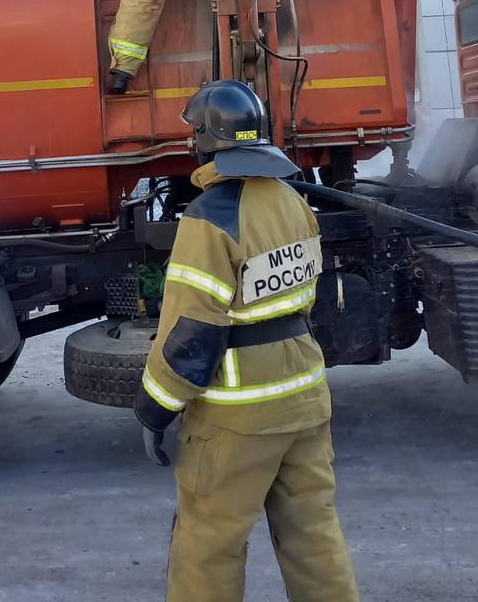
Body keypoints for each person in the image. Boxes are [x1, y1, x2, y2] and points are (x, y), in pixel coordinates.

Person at [134, 79, 359, 602]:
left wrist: (153, 410)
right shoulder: (292, 201)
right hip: (305, 398)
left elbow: (189, 333)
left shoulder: (208, 219)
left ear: (210, 139)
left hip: (238, 418)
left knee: (207, 549)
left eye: (196, 132)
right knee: (314, 538)